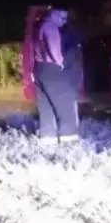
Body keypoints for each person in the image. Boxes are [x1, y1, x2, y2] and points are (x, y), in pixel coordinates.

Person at [33, 8, 80, 144]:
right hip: (53, 70)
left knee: (46, 108)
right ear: (53, 15)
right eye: (62, 17)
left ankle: (48, 140)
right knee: (67, 107)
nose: (63, 22)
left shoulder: (39, 27)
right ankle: (69, 141)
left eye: (65, 19)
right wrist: (60, 63)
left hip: (40, 69)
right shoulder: (51, 27)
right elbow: (53, 48)